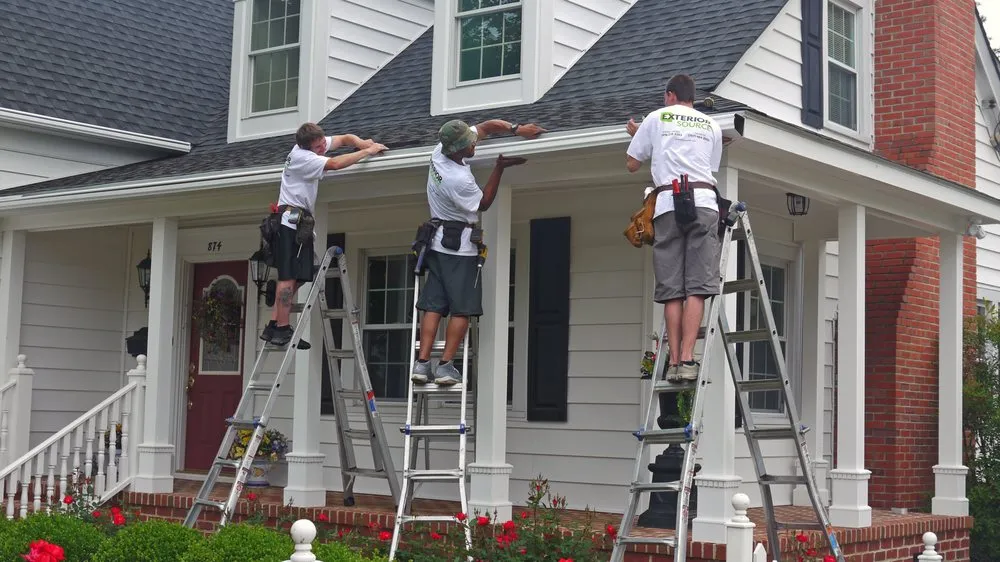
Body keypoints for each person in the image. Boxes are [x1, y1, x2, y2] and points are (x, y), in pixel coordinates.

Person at [411, 118, 545, 385]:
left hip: (436, 244)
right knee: (462, 308)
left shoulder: (439, 152)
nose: (475, 144)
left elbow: (485, 126)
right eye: (470, 145)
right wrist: (499, 168)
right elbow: (483, 203)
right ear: (458, 150)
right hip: (458, 249)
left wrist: (516, 130)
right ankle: (445, 366)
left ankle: (422, 364)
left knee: (434, 306)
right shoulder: (457, 179)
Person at [624, 74, 724, 382]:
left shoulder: (655, 119)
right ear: (692, 98)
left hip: (668, 203)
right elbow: (711, 166)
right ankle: (686, 360)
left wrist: (640, 133)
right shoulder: (712, 125)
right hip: (704, 201)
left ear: (669, 95)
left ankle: (671, 363)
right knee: (697, 286)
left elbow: (631, 163)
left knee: (671, 290)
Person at [260, 122, 387, 348]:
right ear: (307, 147)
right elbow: (336, 164)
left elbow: (345, 137)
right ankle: (281, 329)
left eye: (322, 144)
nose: (323, 148)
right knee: (289, 278)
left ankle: (273, 323)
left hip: (297, 223)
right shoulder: (303, 158)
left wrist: (361, 142)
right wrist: (368, 151)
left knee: (301, 275)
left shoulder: (311, 147)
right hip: (291, 223)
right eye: (318, 147)